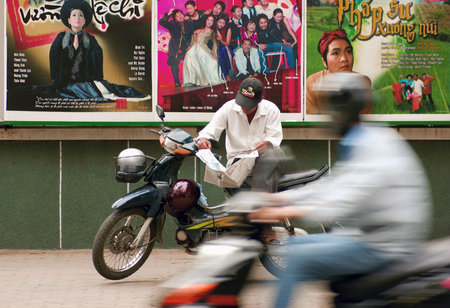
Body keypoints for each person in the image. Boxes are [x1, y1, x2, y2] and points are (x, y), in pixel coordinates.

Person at [249, 73, 431, 307]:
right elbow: (334, 187)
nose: (329, 117)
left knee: (299, 256)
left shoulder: (370, 144)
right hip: (374, 235)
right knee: (300, 245)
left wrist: (284, 210)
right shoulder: (364, 137)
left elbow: (340, 201)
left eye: (332, 110)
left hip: (384, 245)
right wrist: (277, 200)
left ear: (342, 111)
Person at [196, 77, 283, 192]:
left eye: (249, 104)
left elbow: (274, 137)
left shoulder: (271, 110)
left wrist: (268, 144)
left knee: (271, 156)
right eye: (243, 102)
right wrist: (204, 139)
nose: (244, 107)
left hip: (263, 159)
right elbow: (210, 130)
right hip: (238, 160)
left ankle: (264, 202)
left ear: (260, 100)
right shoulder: (229, 108)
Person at [49, 0, 147, 99]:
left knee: (104, 86)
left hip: (86, 80)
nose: (77, 18)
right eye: (74, 15)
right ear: (69, 20)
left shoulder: (90, 39)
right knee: (86, 89)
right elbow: (54, 59)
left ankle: (125, 93)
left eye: (81, 15)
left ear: (84, 21)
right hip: (66, 82)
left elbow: (97, 60)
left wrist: (94, 78)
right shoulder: (61, 37)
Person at [306, 28, 371, 114]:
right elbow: (310, 123)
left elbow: (362, 121)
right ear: (324, 62)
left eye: (348, 51)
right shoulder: (313, 82)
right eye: (336, 53)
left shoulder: (363, 83)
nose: (344, 59)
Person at [182, 15, 224, 87]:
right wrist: (190, 46)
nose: (209, 22)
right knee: (189, 55)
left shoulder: (212, 31)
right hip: (194, 47)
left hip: (203, 49)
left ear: (213, 23)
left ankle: (202, 80)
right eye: (208, 20)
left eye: (212, 21)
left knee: (212, 61)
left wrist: (214, 53)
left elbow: (215, 43)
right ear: (205, 20)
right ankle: (191, 80)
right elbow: (193, 40)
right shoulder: (198, 30)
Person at [159, 8, 195, 87]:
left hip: (187, 47)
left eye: (181, 14)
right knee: (174, 62)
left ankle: (192, 80)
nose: (180, 17)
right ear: (175, 18)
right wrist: (168, 14)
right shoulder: (172, 24)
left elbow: (194, 34)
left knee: (192, 60)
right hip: (175, 47)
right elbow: (161, 22)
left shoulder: (190, 22)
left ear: (183, 14)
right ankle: (177, 82)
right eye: (177, 16)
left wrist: (191, 45)